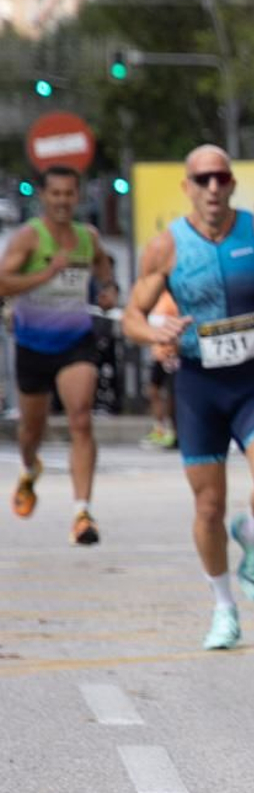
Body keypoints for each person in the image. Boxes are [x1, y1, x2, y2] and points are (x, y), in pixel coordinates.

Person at [121, 145, 254, 650]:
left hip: (253, 384)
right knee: (208, 508)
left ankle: (251, 531)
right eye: (202, 179)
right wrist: (156, 335)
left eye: (221, 178)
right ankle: (224, 609)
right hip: (198, 388)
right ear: (187, 186)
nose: (213, 187)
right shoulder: (165, 246)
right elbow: (131, 317)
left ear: (231, 184)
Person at [0, 165, 114, 544]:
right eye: (56, 194)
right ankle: (30, 470)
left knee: (81, 419)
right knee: (31, 431)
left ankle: (82, 512)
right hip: (33, 345)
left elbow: (102, 264)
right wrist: (47, 273)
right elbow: (3, 281)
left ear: (78, 196)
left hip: (75, 342)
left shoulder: (87, 237)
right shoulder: (29, 238)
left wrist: (108, 287)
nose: (63, 201)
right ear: (45, 197)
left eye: (69, 194)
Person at [144, 291, 182, 450]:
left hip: (171, 355)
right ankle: (160, 429)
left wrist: (176, 350)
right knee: (153, 391)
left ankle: (175, 434)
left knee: (172, 396)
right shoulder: (155, 297)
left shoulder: (173, 299)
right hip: (158, 354)